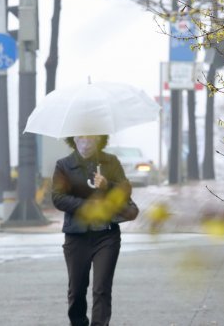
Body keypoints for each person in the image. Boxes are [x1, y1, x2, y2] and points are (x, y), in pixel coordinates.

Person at [52, 135, 138, 326]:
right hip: (76, 236)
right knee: (77, 290)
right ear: (73, 138)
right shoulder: (63, 165)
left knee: (101, 289)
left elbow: (125, 191)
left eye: (91, 136)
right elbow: (58, 198)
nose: (86, 141)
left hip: (107, 236)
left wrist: (108, 186)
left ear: (99, 138)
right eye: (81, 136)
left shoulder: (110, 162)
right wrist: (87, 206)